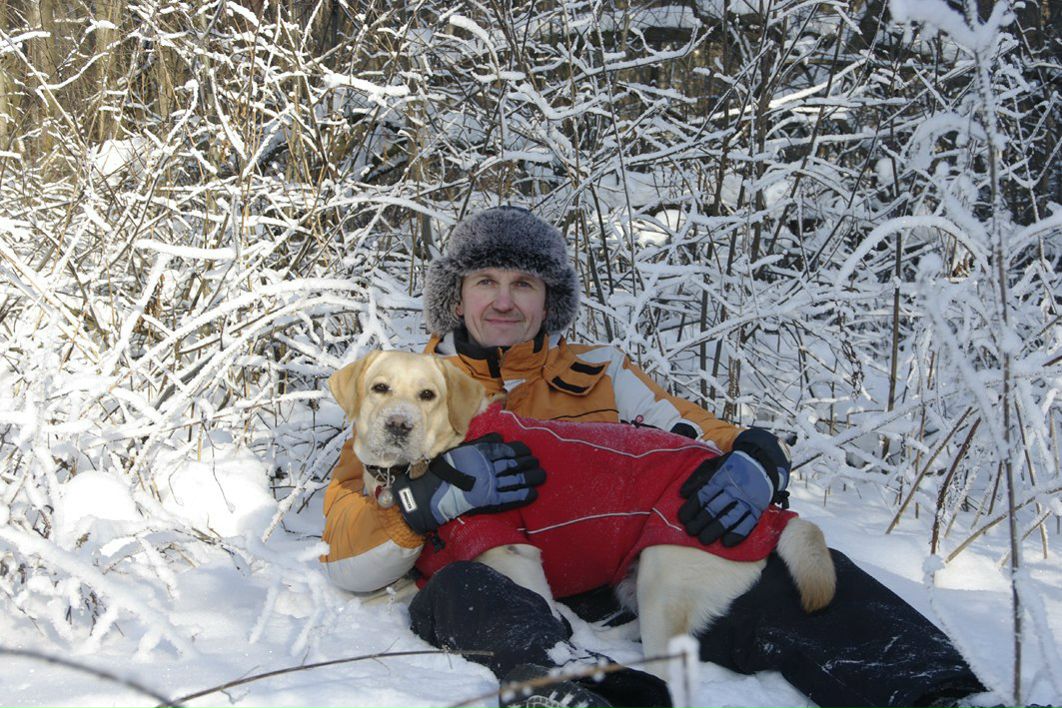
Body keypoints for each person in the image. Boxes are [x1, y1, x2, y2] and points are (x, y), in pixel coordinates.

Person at [320, 206, 985, 708]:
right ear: (455, 296)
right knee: (458, 591)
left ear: (548, 299)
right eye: (485, 279)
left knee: (783, 569)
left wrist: (757, 457)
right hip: (507, 592)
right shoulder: (402, 389)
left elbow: (702, 436)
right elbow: (349, 530)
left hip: (628, 574)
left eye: (524, 283)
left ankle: (944, 694)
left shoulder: (603, 370)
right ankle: (565, 687)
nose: (502, 299)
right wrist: (418, 508)